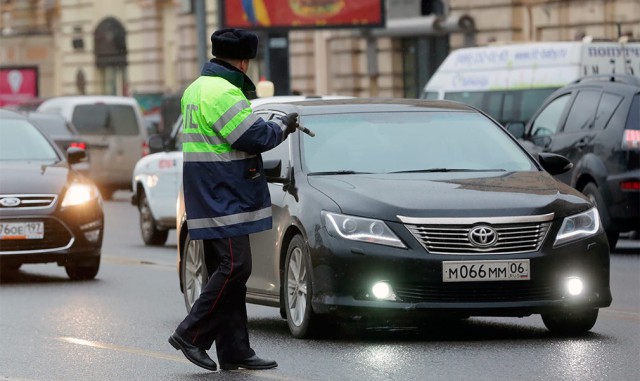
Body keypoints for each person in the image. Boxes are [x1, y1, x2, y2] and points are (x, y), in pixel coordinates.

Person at [168, 28, 299, 372]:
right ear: (243, 61)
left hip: (206, 192)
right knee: (235, 267)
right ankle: (191, 334)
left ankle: (235, 350)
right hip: (224, 194)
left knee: (227, 273)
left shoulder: (196, 88)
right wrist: (281, 125)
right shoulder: (225, 92)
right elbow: (251, 136)